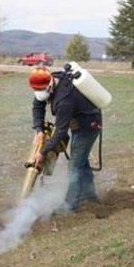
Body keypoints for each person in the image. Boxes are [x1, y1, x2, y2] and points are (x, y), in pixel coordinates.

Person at [29, 66, 102, 211]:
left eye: (42, 90)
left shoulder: (64, 99)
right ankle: (90, 195)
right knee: (81, 160)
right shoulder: (45, 83)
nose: (39, 93)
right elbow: (37, 106)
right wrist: (38, 129)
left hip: (88, 125)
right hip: (76, 120)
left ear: (50, 85)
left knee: (74, 166)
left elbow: (60, 132)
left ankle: (70, 205)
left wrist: (42, 152)